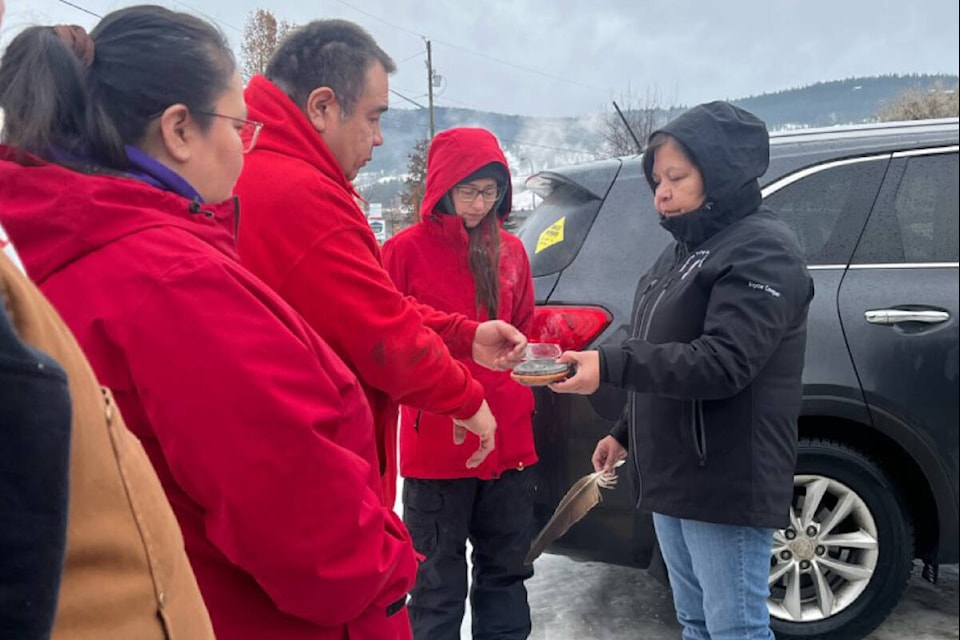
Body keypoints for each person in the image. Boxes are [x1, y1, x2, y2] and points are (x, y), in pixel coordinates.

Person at [0, 6, 416, 639]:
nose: (245, 150)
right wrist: (391, 563)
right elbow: (308, 528)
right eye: (240, 127)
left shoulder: (46, 249)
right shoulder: (172, 283)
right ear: (180, 130)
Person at [233, 21, 527, 506]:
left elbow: (376, 305)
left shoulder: (264, 167)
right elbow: (380, 331)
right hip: (307, 472)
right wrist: (466, 398)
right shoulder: (302, 196)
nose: (380, 138)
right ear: (323, 107)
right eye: (373, 118)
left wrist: (464, 336)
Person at [550, 101, 814, 640]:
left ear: (720, 173)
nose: (661, 193)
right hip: (674, 473)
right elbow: (659, 346)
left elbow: (723, 363)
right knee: (695, 623)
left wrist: (609, 364)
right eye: (656, 180)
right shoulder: (683, 253)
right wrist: (624, 432)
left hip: (724, 478)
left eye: (676, 177)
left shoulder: (763, 251)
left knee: (734, 628)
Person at [382, 127, 538, 639]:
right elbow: (390, 330)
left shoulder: (512, 251)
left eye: (490, 192)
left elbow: (525, 328)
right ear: (442, 188)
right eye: (468, 190)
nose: (479, 203)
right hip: (436, 446)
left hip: (509, 442)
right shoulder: (404, 250)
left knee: (505, 578)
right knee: (434, 587)